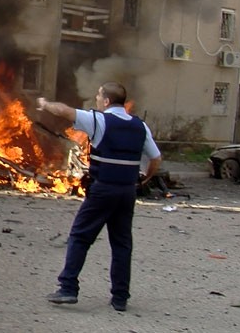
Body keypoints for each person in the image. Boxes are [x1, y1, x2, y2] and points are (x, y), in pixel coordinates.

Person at [37, 82, 161, 312]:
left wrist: (44, 104)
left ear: (106, 101)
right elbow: (155, 158)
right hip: (126, 192)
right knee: (122, 244)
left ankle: (68, 288)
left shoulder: (99, 120)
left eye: (98, 96)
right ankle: (120, 298)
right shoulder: (140, 127)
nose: (96, 99)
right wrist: (144, 179)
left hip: (103, 189)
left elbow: (64, 111)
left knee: (80, 237)